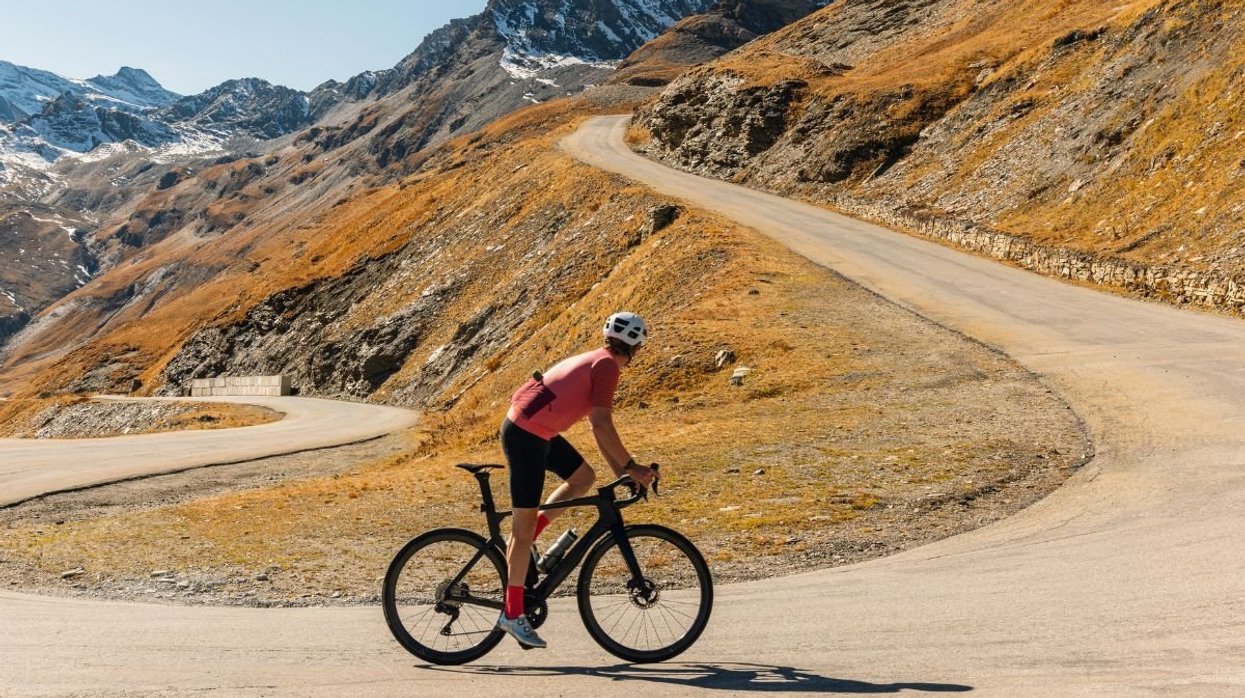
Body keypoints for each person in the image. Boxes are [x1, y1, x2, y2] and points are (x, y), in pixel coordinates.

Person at [494, 311, 658, 649]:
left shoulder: (598, 359)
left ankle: (526, 543)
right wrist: (630, 466)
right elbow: (600, 422)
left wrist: (621, 472)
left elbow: (596, 428)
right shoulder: (609, 366)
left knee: (583, 477)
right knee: (520, 532)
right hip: (527, 436)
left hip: (535, 430)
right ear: (637, 348)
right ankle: (512, 613)